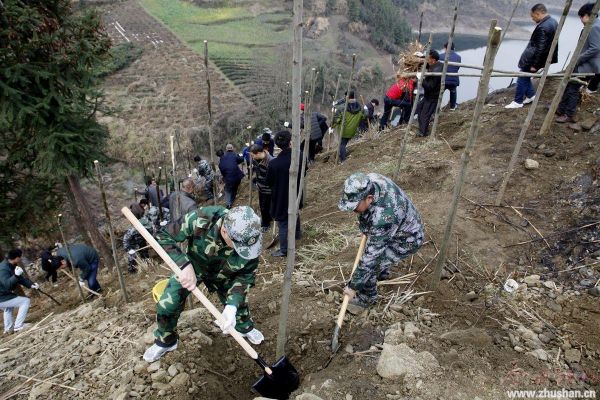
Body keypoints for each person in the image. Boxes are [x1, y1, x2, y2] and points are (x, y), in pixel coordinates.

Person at [143, 206, 265, 362]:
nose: (244, 250)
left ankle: (244, 328)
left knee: (238, 306)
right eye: (238, 245)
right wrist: (184, 265)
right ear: (225, 232)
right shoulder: (202, 218)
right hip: (195, 267)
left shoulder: (250, 243)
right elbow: (163, 235)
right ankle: (166, 341)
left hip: (227, 274)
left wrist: (232, 305)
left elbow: (246, 275)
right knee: (167, 304)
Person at [338, 173, 424, 309]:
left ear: (369, 198)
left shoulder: (383, 218)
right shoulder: (370, 181)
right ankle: (383, 273)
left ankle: (367, 298)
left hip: (407, 238)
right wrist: (365, 227)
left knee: (371, 265)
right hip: (396, 225)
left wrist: (353, 286)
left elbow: (370, 259)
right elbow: (365, 212)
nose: (353, 210)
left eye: (354, 206)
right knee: (374, 252)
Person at [505, 3, 558, 109]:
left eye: (533, 17)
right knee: (526, 77)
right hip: (543, 58)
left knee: (522, 77)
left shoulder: (543, 26)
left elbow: (540, 48)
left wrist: (535, 64)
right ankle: (531, 96)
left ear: (538, 13)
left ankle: (518, 102)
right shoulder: (553, 21)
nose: (533, 19)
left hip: (532, 59)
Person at [556, 3, 600, 123]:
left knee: (573, 88)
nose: (580, 20)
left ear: (587, 15)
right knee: (569, 85)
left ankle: (568, 114)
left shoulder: (594, 27)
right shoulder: (595, 24)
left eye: (581, 16)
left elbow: (595, 48)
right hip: (586, 65)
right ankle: (560, 109)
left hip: (586, 66)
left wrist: (578, 59)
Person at [266, 131, 303, 257]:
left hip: (281, 196)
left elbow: (268, 182)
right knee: (295, 211)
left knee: (283, 222)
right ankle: (297, 234)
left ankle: (284, 249)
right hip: (296, 192)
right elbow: (305, 170)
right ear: (290, 142)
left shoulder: (274, 164)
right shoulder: (300, 156)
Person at [0, 249, 40, 334]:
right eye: (20, 257)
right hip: (2, 296)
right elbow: (7, 284)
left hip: (3, 295)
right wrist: (15, 275)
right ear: (16, 258)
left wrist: (31, 284)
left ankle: (8, 329)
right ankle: (18, 326)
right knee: (25, 301)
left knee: (8, 307)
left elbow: (20, 278)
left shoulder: (11, 265)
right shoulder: (3, 269)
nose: (21, 259)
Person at [332, 91, 365, 162]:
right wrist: (366, 109)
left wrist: (332, 126)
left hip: (343, 130)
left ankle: (343, 159)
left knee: (342, 144)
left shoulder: (342, 108)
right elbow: (364, 116)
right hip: (353, 130)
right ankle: (342, 153)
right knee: (344, 143)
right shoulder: (359, 107)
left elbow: (337, 120)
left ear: (346, 97)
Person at [416, 50, 443, 137]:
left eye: (428, 58)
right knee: (419, 109)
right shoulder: (435, 64)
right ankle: (422, 129)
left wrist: (421, 79)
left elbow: (430, 86)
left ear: (433, 60)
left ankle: (423, 133)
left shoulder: (437, 71)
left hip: (432, 97)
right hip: (427, 96)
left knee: (425, 115)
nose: (427, 60)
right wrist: (422, 56)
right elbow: (427, 63)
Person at [250, 144, 274, 232]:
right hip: (260, 187)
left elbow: (272, 178)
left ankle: (266, 224)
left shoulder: (270, 162)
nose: (252, 157)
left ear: (258, 153)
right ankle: (267, 219)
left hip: (268, 189)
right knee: (262, 206)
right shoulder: (256, 160)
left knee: (265, 206)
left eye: (252, 155)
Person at [123, 203, 153, 273]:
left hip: (141, 239)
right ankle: (132, 269)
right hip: (133, 242)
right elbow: (125, 240)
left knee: (144, 251)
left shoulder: (146, 225)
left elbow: (152, 232)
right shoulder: (132, 231)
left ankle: (147, 262)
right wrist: (129, 249)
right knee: (132, 256)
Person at [219, 144, 245, 209]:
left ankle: (228, 204)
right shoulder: (235, 155)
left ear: (226, 149)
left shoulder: (222, 158)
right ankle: (232, 200)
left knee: (227, 190)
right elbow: (242, 159)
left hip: (229, 178)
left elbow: (222, 169)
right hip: (238, 177)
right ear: (232, 148)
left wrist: (225, 177)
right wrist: (239, 155)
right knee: (234, 188)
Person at [439, 42, 462, 110]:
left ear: (445, 48)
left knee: (440, 92)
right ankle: (452, 107)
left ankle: (438, 107)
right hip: (453, 78)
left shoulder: (440, 56)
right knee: (453, 91)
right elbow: (457, 68)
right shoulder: (458, 57)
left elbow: (439, 67)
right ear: (453, 48)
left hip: (443, 79)